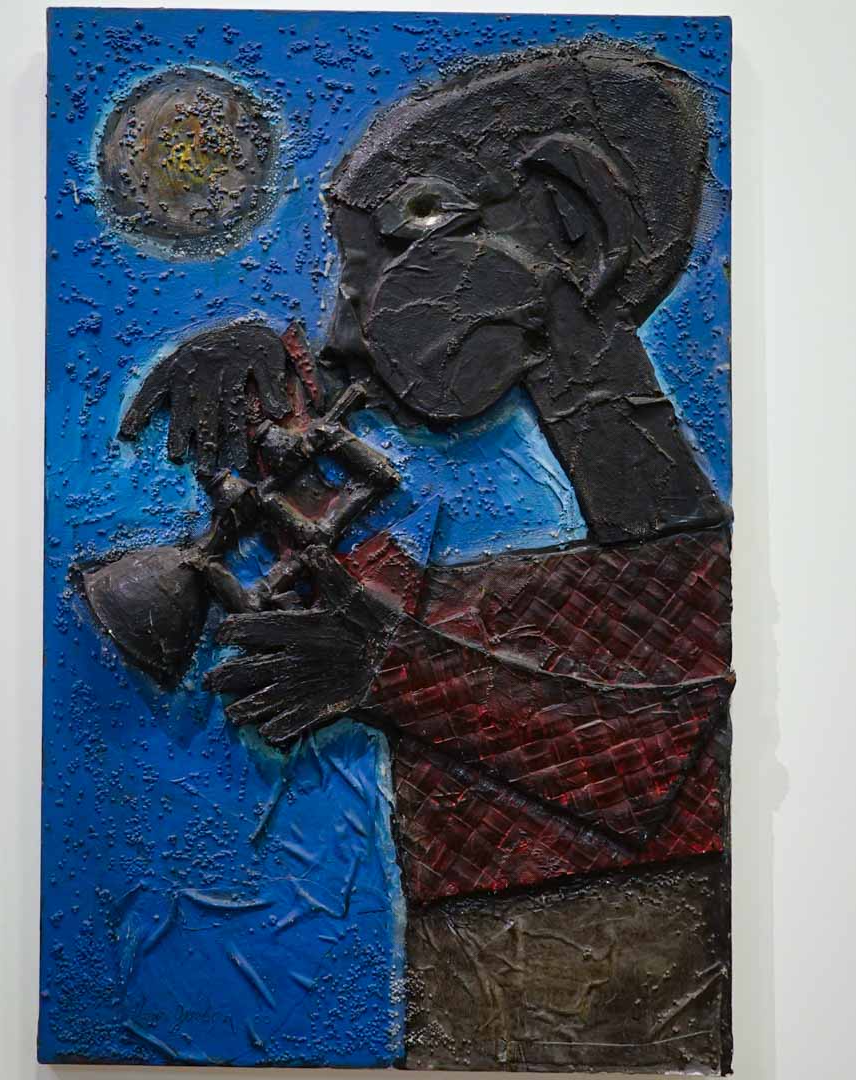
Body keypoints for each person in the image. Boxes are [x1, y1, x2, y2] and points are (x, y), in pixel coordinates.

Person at [117, 40, 735, 1071]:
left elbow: (655, 765)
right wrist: (279, 410)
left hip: (620, 1003)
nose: (339, 329)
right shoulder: (573, 578)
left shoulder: (679, 566)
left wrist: (392, 677)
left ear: (568, 221)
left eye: (387, 255)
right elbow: (405, 613)